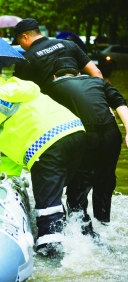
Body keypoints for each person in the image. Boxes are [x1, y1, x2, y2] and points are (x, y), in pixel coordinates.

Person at [0, 68, 86, 257]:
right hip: (77, 134)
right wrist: (5, 171)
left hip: (48, 145)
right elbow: (12, 136)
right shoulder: (16, 87)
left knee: (47, 206)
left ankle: (52, 256)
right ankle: (84, 238)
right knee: (66, 198)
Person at [43, 57, 128, 226]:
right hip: (112, 134)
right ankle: (104, 223)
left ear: (54, 76)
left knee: (79, 185)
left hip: (86, 137)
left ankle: (84, 232)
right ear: (79, 73)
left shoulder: (52, 87)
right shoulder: (98, 82)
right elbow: (119, 101)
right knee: (105, 181)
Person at [12, 18, 103, 89]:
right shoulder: (68, 44)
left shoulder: (25, 59)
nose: (21, 46)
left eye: (20, 43)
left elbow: (19, 91)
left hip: (51, 111)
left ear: (25, 37)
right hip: (80, 103)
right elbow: (96, 72)